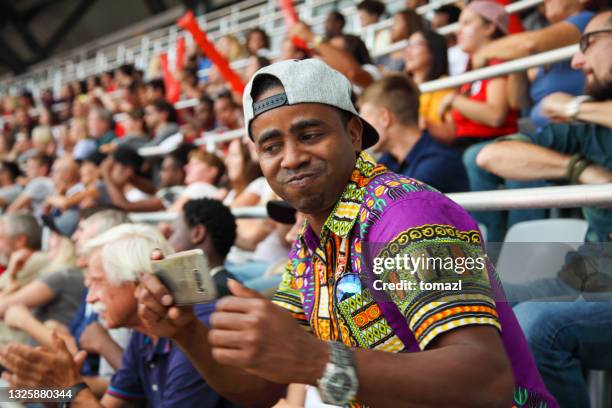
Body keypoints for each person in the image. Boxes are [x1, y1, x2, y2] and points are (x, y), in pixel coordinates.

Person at [135, 59, 556, 408]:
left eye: (310, 135)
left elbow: (488, 381)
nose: (292, 158)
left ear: (354, 135)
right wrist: (187, 333)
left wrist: (316, 359)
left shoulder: (407, 216)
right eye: (271, 146)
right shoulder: (311, 242)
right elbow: (262, 387)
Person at [474, 11, 612, 406]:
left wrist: (574, 108)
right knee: (475, 299)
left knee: (537, 325)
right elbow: (492, 156)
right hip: (590, 273)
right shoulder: (590, 129)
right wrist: (580, 169)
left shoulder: (582, 114)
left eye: (587, 44)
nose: (575, 61)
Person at [0, 223, 241, 408]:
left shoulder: (196, 330)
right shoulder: (145, 334)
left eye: (98, 283)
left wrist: (69, 389)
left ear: (137, 282)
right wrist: (46, 391)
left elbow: (81, 397)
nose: (90, 298)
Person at [472, 0, 597, 130]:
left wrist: (484, 52)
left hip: (575, 131)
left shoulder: (588, 20)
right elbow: (518, 101)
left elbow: (529, 44)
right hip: (549, 132)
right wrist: (516, 63)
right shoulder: (549, 41)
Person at [359, 75, 469, 193]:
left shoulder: (437, 164)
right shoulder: (387, 161)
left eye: (365, 119)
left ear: (385, 118)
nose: (361, 129)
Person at [437, 0, 518, 149]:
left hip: (489, 145)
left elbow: (495, 116)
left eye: (466, 23)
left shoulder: (498, 63)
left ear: (489, 27)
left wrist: (453, 100)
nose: (457, 31)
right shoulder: (472, 70)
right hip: (470, 145)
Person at [403, 29, 456, 136]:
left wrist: (424, 123)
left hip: (430, 146)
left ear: (433, 50)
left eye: (416, 45)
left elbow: (450, 133)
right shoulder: (400, 89)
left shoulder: (444, 84)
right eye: (408, 46)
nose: (408, 51)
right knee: (363, 153)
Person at [0, 214, 47, 291]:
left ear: (20, 240)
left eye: (0, 238)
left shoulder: (33, 266)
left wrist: (11, 277)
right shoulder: (14, 265)